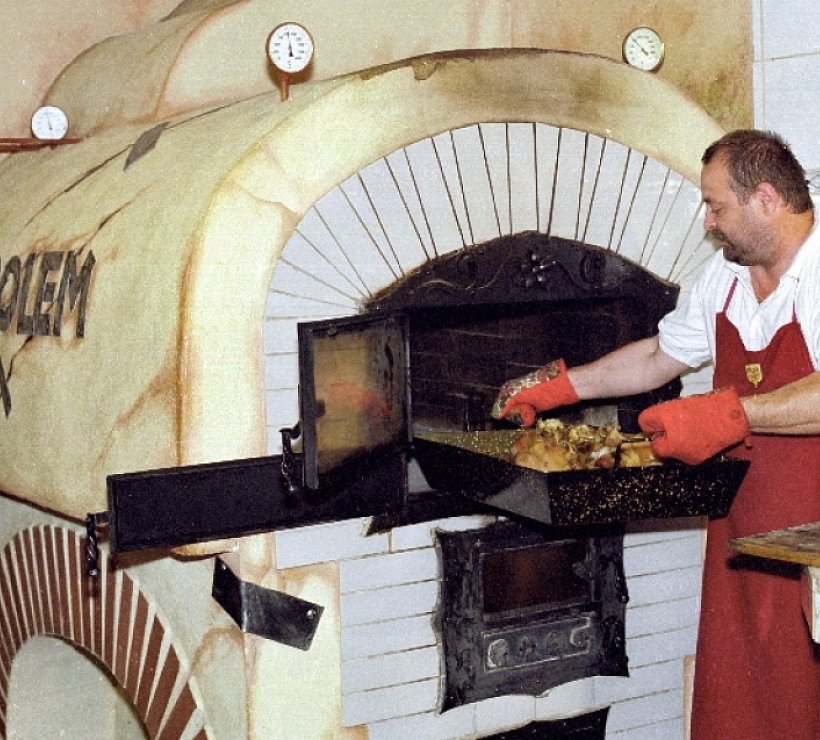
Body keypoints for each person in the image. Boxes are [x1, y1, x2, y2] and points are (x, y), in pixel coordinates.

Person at [492, 129, 820, 740]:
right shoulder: (725, 277)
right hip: (740, 525)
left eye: (717, 206)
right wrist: (560, 387)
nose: (708, 222)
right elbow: (656, 357)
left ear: (767, 199)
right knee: (742, 700)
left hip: (813, 539)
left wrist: (729, 416)